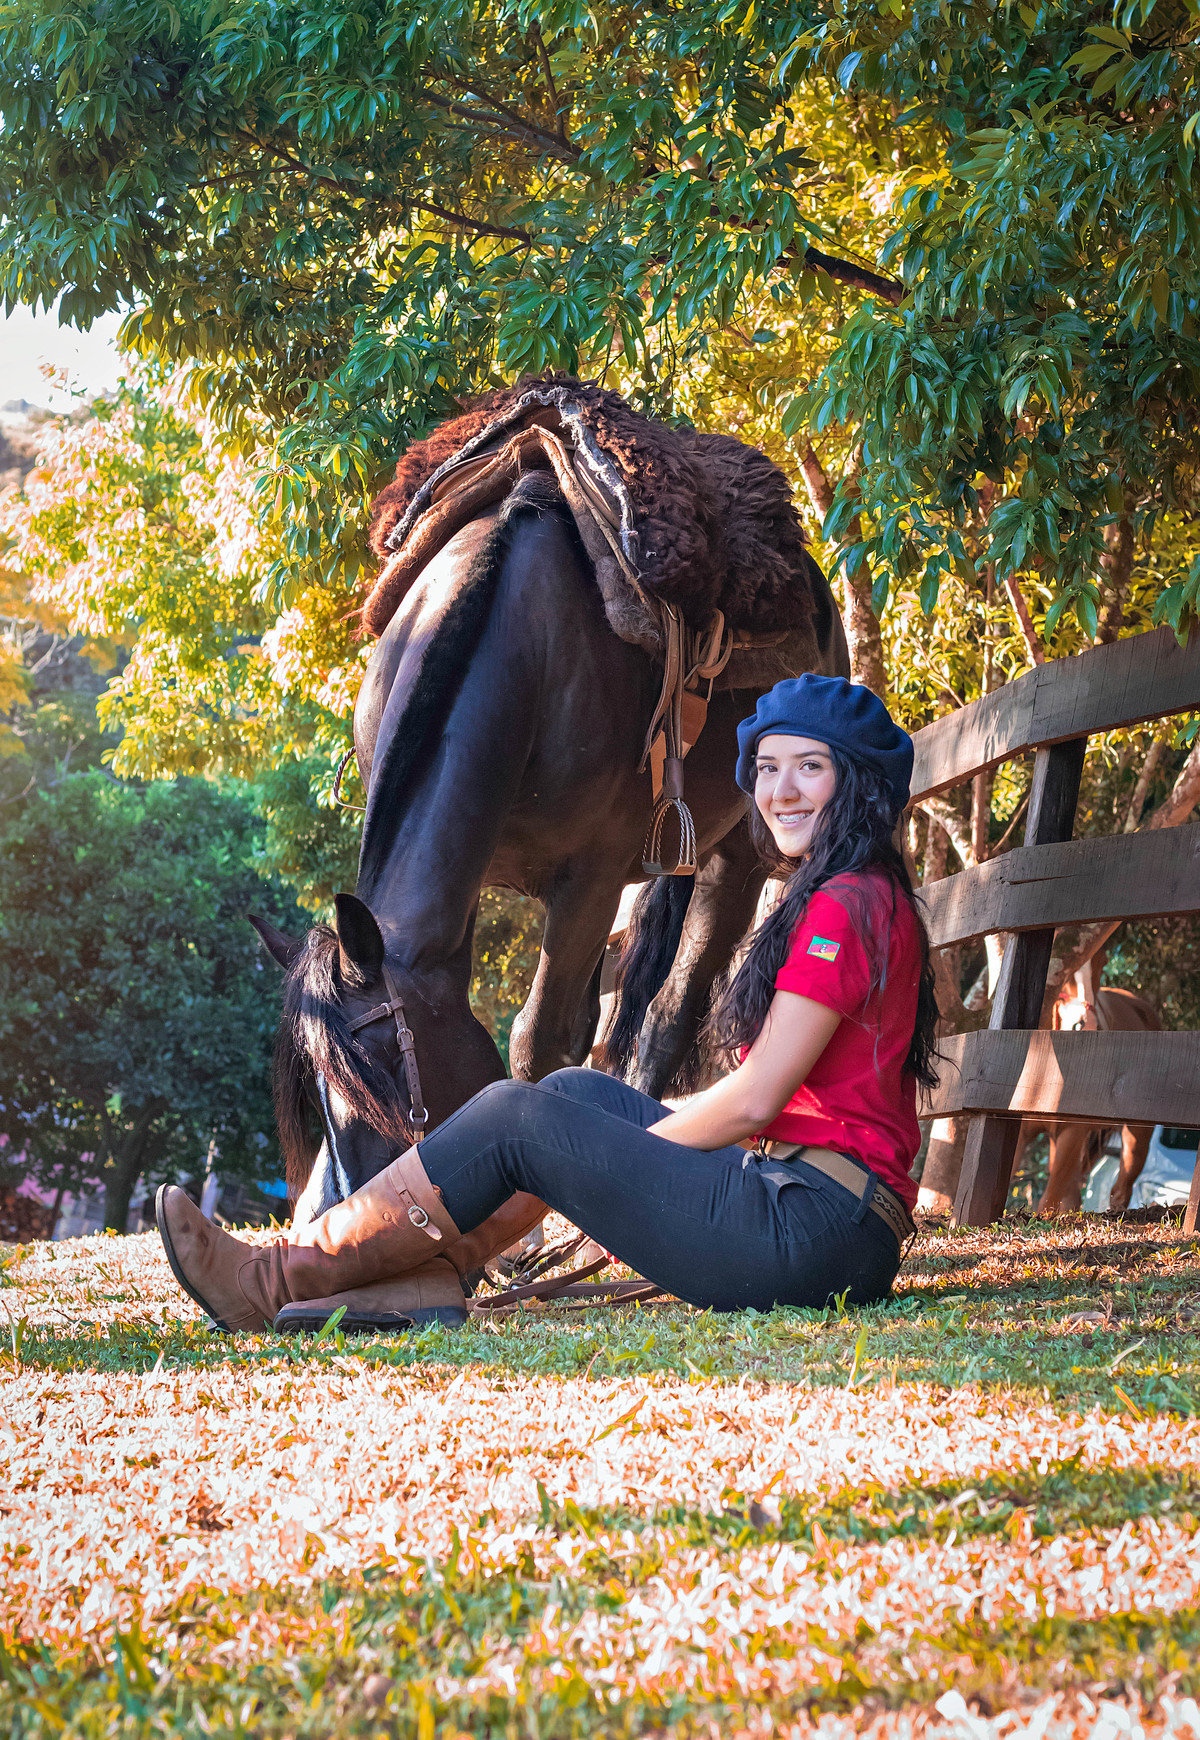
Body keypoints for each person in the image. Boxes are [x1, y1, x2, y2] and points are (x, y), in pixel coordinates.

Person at [156, 674, 939, 1335]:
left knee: (518, 1117)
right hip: (810, 1206)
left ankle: (275, 1281)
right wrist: (604, 1138)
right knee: (565, 1095)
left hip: (814, 1230)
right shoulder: (847, 894)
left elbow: (758, 1098)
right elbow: (775, 1100)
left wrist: (620, 1153)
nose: (781, 791)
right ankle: (429, 1279)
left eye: (809, 767)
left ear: (856, 781)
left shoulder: (847, 905)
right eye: (768, 768)